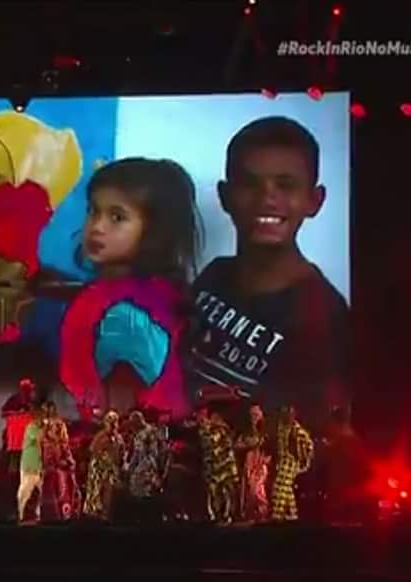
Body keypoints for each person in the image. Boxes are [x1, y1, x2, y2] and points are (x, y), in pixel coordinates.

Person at [190, 116, 349, 431]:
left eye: (285, 185)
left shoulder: (326, 315)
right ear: (224, 196)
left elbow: (313, 441)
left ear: (314, 201)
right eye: (250, 184)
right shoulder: (214, 277)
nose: (267, 199)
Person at [59, 157, 203, 416]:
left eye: (117, 217)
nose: (97, 227)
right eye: (93, 211)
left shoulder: (125, 319)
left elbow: (121, 410)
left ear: (155, 231)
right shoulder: (135, 292)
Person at [124, 409, 170, 524]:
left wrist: (146, 467)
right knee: (135, 488)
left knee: (147, 491)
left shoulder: (151, 432)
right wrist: (130, 467)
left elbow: (154, 453)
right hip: (139, 465)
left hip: (149, 466)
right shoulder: (137, 434)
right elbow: (135, 453)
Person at [270, 405, 314, 522]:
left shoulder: (296, 429)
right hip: (282, 462)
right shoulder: (281, 426)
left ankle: (276, 519)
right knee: (287, 492)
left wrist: (303, 460)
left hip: (290, 463)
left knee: (278, 491)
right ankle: (292, 517)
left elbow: (309, 444)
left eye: (288, 413)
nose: (286, 415)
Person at [39, 405, 79, 521]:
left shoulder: (63, 443)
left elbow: (70, 460)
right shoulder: (46, 442)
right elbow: (46, 460)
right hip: (51, 475)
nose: (57, 429)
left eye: (59, 428)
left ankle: (66, 515)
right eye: (54, 427)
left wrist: (67, 463)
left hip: (63, 474)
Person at [83, 410, 125, 521]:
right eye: (110, 422)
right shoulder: (100, 437)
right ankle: (94, 518)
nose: (113, 425)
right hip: (98, 470)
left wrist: (119, 464)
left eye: (115, 422)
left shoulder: (119, 438)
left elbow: (121, 453)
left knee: (109, 495)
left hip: (111, 471)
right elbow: (93, 451)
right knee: (96, 496)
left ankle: (107, 516)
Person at [235, 402, 271, 522]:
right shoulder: (246, 431)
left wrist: (266, 459)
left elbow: (272, 449)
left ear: (261, 414)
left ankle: (262, 515)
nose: (254, 417)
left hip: (260, 464)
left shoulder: (266, 431)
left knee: (257, 490)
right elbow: (236, 445)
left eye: (256, 414)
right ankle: (249, 516)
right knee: (248, 490)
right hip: (249, 464)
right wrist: (247, 445)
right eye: (252, 415)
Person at [16, 402, 48, 523]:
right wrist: (45, 427)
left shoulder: (40, 428)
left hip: (40, 465)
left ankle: (39, 515)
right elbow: (40, 438)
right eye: (41, 416)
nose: (43, 418)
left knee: (42, 491)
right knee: (25, 491)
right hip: (30, 464)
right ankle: (20, 514)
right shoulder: (31, 427)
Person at [1, 378, 36, 475]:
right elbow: (3, 413)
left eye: (30, 390)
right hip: (15, 438)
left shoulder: (32, 400)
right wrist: (17, 413)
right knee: (15, 464)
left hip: (29, 439)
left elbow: (38, 414)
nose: (29, 391)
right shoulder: (14, 399)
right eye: (27, 389)